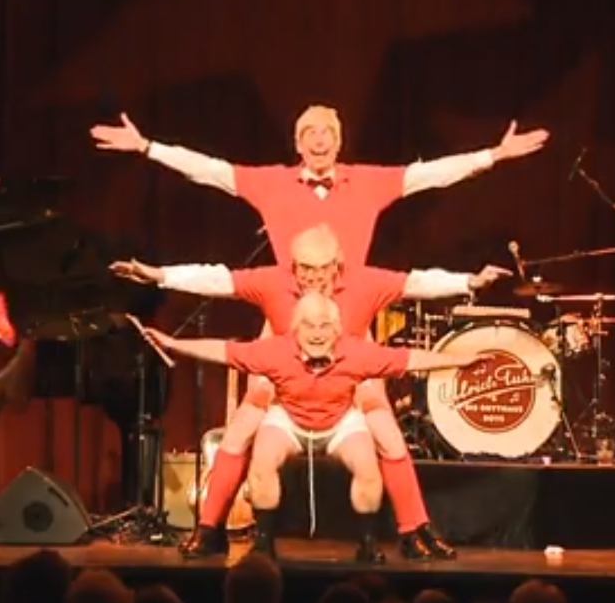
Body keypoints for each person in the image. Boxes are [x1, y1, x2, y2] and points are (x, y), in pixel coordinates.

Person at [112, 224, 510, 559]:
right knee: (241, 429)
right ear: (293, 266)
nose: (313, 277)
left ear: (337, 265)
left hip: (351, 359)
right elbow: (217, 279)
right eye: (304, 269)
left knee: (388, 436)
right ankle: (210, 528)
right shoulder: (272, 282)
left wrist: (468, 283)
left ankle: (413, 529)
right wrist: (158, 276)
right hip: (284, 358)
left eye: (322, 269)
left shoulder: (365, 283)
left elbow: (417, 284)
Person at [142, 292, 488, 562]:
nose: (318, 334)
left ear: (337, 329)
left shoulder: (357, 353)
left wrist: (461, 361)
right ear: (296, 329)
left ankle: (367, 543)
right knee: (262, 462)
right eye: (309, 326)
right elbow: (222, 351)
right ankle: (264, 543)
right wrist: (172, 343)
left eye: (325, 327)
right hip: (289, 418)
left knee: (368, 469)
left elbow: (412, 359)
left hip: (340, 420)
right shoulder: (275, 352)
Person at [89, 104, 549, 268]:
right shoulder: (271, 183)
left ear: (339, 142)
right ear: (298, 144)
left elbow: (433, 174)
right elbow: (207, 169)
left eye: (328, 133)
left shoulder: (368, 182)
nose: (320, 140)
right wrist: (147, 147)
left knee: (373, 413)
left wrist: (493, 155)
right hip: (288, 314)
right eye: (310, 133)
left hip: (350, 316)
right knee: (256, 408)